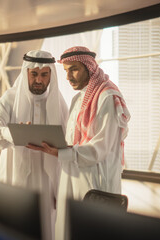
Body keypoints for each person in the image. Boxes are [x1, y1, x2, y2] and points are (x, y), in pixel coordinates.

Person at [27, 46, 130, 240]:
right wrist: (56, 148)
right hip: (73, 174)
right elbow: (74, 141)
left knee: (92, 231)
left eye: (74, 69)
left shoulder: (107, 97)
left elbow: (101, 147)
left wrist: (62, 153)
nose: (68, 77)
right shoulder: (78, 99)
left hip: (95, 179)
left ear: (88, 68)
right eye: (66, 71)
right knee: (69, 228)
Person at [0, 50, 68, 239]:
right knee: (14, 225)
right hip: (16, 173)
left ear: (50, 76)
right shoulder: (10, 98)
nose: (39, 80)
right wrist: (13, 132)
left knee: (45, 225)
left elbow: (69, 141)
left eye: (44, 75)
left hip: (46, 179)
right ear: (26, 73)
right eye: (34, 74)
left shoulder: (59, 102)